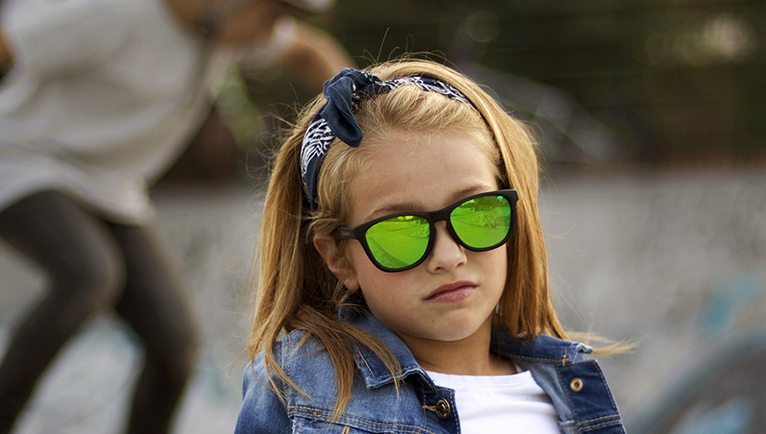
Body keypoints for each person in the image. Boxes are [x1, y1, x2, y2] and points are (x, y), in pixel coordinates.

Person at [0, 0, 352, 433]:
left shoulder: (225, 31)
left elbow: (311, 51)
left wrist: (359, 101)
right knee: (89, 274)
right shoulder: (116, 12)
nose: (275, 32)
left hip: (109, 189)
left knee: (176, 343)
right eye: (273, 14)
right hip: (15, 161)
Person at [235, 59, 626, 433]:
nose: (449, 257)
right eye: (400, 231)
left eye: (475, 213)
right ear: (338, 258)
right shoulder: (299, 388)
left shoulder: (574, 390)